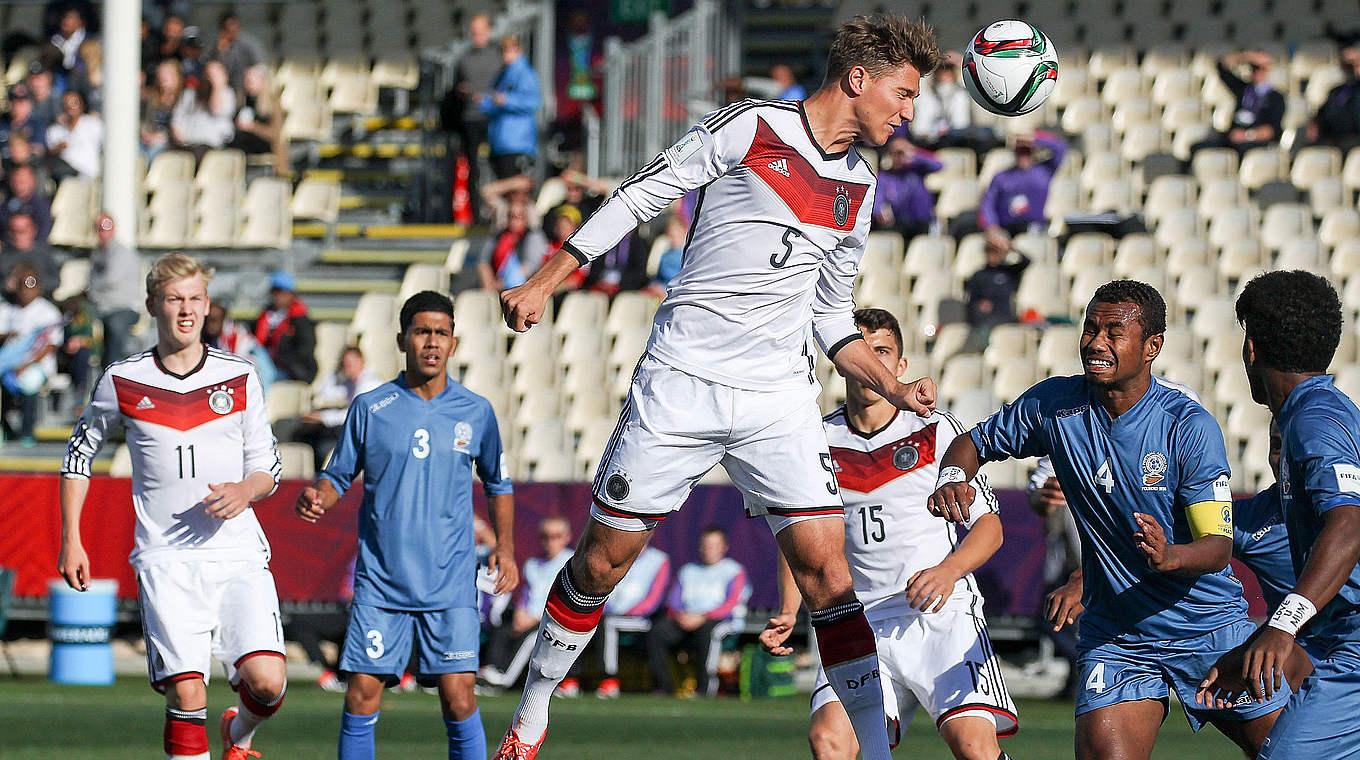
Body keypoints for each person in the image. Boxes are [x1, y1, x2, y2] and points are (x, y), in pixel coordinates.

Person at [493, 15, 942, 760]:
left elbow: (830, 315)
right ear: (858, 80)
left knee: (831, 576)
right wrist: (546, 279)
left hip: (777, 398)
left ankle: (876, 751)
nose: (908, 111)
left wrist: (892, 386)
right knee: (602, 563)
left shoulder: (860, 188)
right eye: (902, 93)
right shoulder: (753, 128)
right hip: (683, 382)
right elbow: (641, 194)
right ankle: (532, 713)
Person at [928, 280, 1288, 758]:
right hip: (1117, 638)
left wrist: (1170, 555)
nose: (1096, 343)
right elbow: (974, 442)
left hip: (1207, 627)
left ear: (1152, 347)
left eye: (1114, 332)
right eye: (1090, 329)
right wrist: (954, 475)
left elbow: (1217, 547)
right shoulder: (1054, 405)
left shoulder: (1188, 426)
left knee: (1291, 753)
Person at [58, 252, 287, 760]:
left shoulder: (241, 375)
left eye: (194, 299)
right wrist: (71, 538)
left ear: (207, 306)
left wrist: (245, 491)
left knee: (269, 684)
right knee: (187, 694)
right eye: (173, 299)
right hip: (166, 560)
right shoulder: (122, 379)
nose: (185, 310)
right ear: (151, 306)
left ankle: (239, 735)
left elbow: (268, 466)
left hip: (237, 556)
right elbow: (78, 456)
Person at [761, 307, 1017, 760]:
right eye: (863, 352)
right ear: (843, 361)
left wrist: (947, 571)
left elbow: (990, 527)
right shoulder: (816, 440)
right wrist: (788, 608)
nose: (873, 363)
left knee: (974, 747)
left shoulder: (935, 432)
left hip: (941, 616)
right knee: (829, 741)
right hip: (859, 619)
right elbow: (799, 534)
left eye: (884, 352)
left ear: (900, 367)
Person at [294, 290, 519, 760]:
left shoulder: (475, 411)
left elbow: (499, 483)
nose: (431, 342)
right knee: (361, 695)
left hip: (450, 581)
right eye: (422, 332)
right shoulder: (371, 407)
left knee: (459, 699)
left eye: (440, 332)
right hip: (382, 583)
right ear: (402, 339)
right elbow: (338, 475)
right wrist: (319, 494)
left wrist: (507, 548)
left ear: (454, 343)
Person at [1196, 271, 1360, 758]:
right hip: (1337, 644)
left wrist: (1281, 625)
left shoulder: (1313, 421)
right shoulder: (1323, 413)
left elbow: (1349, 524)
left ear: (1251, 349)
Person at [647, 526, 750, 698]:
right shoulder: (688, 570)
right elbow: (673, 602)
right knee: (657, 632)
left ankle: (705, 688)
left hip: (721, 621)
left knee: (708, 632)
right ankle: (663, 687)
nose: (708, 550)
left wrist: (702, 617)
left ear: (724, 547)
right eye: (705, 545)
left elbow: (731, 604)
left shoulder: (734, 571)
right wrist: (682, 616)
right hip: (686, 620)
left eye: (713, 545)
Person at [483, 517, 575, 691]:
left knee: (531, 638)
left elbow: (565, 599)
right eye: (545, 536)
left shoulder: (571, 563)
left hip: (554, 620)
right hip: (527, 618)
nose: (550, 541)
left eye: (556, 536)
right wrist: (520, 613)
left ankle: (503, 679)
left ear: (566, 537)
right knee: (503, 627)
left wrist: (534, 618)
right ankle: (490, 670)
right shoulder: (532, 564)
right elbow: (526, 595)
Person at [594, 545, 670, 698]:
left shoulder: (659, 560)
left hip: (641, 620)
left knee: (608, 623)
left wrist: (633, 611)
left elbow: (655, 597)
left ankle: (609, 679)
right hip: (612, 616)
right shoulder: (614, 554)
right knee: (588, 621)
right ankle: (568, 680)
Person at [291, 346, 382, 471]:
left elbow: (354, 416)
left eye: (351, 363)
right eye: (344, 364)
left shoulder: (369, 383)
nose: (347, 367)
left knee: (322, 446)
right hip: (354, 432)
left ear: (361, 361)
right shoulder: (350, 382)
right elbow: (326, 392)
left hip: (368, 436)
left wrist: (321, 417)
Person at [0, 262, 61, 445]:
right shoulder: (7, 309)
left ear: (39, 287)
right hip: (9, 365)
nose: (26, 290)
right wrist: (7, 336)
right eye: (22, 284)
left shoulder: (48, 312)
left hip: (36, 365)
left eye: (31, 284)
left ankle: (27, 432)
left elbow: (51, 345)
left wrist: (25, 365)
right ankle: (5, 428)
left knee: (28, 381)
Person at [974, 130, 1066, 246]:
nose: (1023, 156)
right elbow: (988, 203)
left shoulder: (1043, 172)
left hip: (1034, 228)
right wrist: (992, 227)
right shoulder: (1002, 176)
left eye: (1026, 151)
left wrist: (1034, 139)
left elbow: (1061, 148)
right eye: (1020, 151)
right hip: (1006, 229)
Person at [449, 13, 501, 221]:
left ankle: (497, 215)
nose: (477, 36)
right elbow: (456, 88)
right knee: (473, 168)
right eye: (474, 32)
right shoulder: (464, 60)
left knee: (496, 166)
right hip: (471, 118)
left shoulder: (498, 58)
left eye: (481, 31)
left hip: (493, 119)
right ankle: (476, 214)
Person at [1189, 51, 1285, 160]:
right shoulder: (1244, 89)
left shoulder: (1275, 97)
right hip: (1233, 139)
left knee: (1241, 152)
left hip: (1253, 142)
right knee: (1198, 148)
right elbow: (1221, 67)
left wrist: (1247, 135)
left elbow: (1271, 131)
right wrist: (1246, 56)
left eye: (1260, 69)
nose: (1256, 72)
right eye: (1253, 68)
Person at [909, 51, 1000, 157]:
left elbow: (976, 82)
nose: (945, 74)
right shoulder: (927, 96)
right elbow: (919, 130)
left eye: (949, 70)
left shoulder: (962, 94)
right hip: (932, 142)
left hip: (959, 140)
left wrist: (961, 62)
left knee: (987, 134)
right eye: (941, 70)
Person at [87, 213, 144, 367]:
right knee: (78, 323)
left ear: (114, 229)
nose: (103, 232)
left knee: (114, 326)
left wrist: (91, 292)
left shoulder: (122, 254)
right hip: (101, 307)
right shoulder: (97, 254)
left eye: (107, 227)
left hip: (123, 307)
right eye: (99, 228)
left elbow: (107, 281)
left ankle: (111, 370)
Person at [481, 35, 541, 180]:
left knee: (514, 192)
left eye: (509, 49)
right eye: (502, 50)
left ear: (518, 49)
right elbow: (494, 102)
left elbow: (533, 102)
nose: (505, 53)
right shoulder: (503, 74)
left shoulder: (525, 73)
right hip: (500, 143)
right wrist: (484, 102)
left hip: (517, 143)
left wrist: (506, 100)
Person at [871, 135, 940, 244]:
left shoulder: (917, 170)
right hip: (898, 224)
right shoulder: (885, 176)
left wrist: (914, 155)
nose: (900, 156)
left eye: (902, 152)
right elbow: (877, 197)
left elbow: (939, 165)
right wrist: (880, 208)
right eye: (897, 153)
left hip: (921, 221)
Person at [964, 238, 1030, 347]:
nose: (993, 256)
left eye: (996, 252)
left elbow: (1027, 262)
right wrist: (980, 305)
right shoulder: (979, 275)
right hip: (987, 319)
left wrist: (1009, 247)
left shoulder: (1008, 272)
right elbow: (971, 300)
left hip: (1007, 317)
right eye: (990, 252)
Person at [253, 270, 317, 384]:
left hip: (295, 370)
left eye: (282, 293)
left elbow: (305, 349)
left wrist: (279, 358)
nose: (277, 297)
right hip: (270, 365)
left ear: (291, 294)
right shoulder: (267, 316)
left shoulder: (300, 320)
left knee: (261, 377)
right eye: (275, 292)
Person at [1305, 43, 1360, 153]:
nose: (1351, 69)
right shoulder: (1335, 91)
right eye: (1347, 65)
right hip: (1333, 138)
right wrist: (1315, 123)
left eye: (1355, 64)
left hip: (1354, 138)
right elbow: (1322, 114)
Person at [45, 88, 103, 179]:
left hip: (90, 177)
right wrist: (58, 148)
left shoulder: (94, 124)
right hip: (66, 180)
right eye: (67, 104)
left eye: (74, 102)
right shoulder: (54, 130)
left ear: (82, 105)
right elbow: (49, 153)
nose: (71, 106)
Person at [210, 11, 266, 93]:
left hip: (246, 88)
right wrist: (220, 51)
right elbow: (214, 66)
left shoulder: (248, 43)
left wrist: (253, 79)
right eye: (226, 27)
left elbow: (260, 64)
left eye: (232, 25)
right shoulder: (219, 44)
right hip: (226, 88)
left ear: (237, 25)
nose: (230, 29)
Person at [3, 164, 53, 242]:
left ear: (32, 180)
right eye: (16, 180)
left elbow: (44, 235)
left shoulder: (42, 207)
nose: (19, 185)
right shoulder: (5, 204)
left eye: (23, 181)